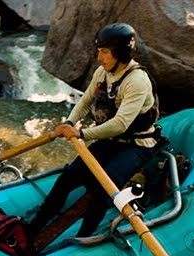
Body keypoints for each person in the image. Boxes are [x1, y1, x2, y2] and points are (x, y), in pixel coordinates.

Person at [25, 22, 161, 239]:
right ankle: (34, 227)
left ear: (121, 53)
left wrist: (82, 134)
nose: (99, 58)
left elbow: (121, 124)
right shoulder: (103, 72)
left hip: (137, 145)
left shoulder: (136, 81)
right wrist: (70, 122)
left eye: (105, 52)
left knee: (102, 189)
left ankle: (84, 236)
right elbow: (86, 100)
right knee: (68, 177)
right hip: (111, 140)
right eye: (99, 51)